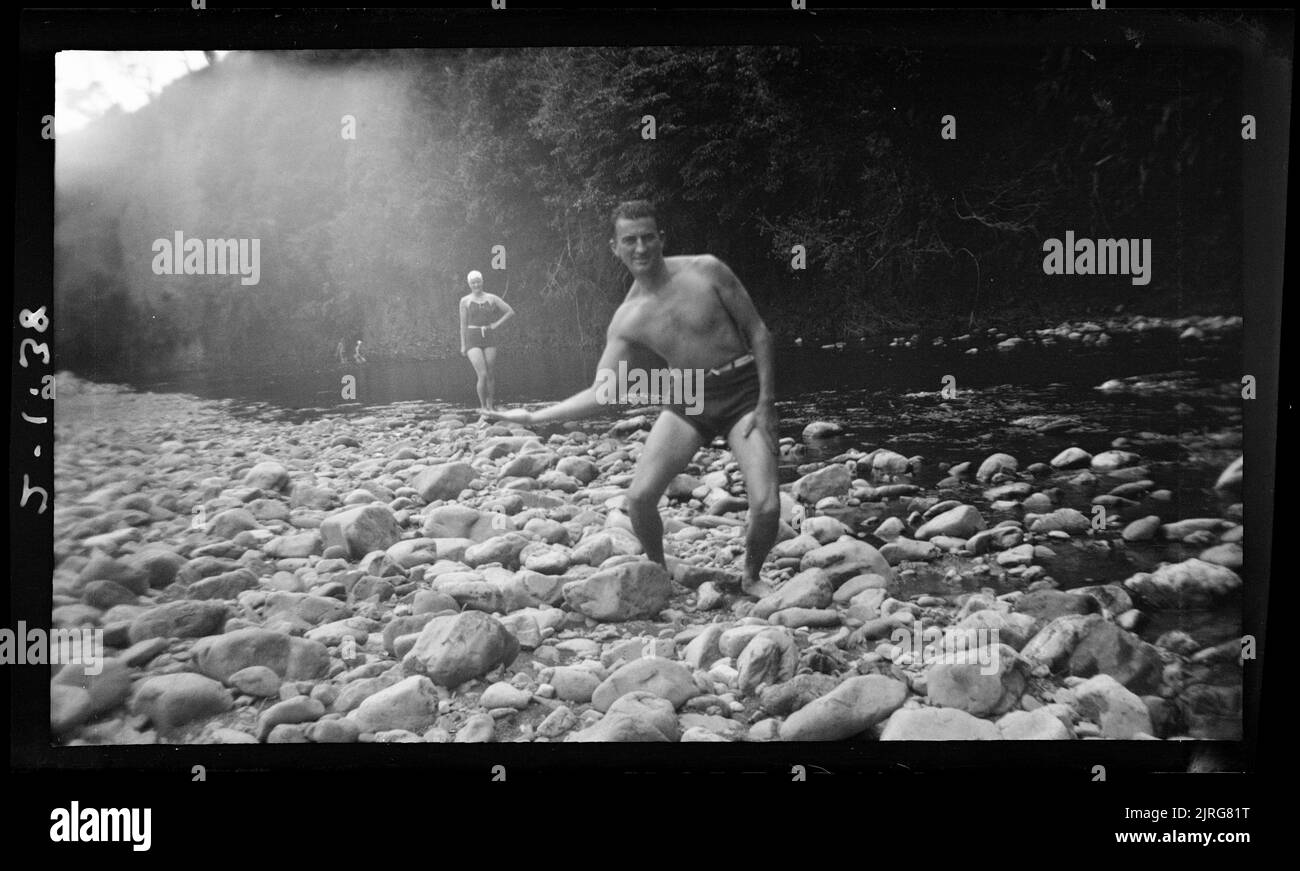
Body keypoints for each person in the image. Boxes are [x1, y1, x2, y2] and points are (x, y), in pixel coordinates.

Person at [486, 200, 779, 597]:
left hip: (743, 393)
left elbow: (759, 332)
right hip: (689, 397)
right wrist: (535, 418)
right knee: (639, 499)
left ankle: (751, 576)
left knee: (765, 505)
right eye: (630, 241)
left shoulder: (707, 270)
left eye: (647, 237)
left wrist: (766, 402)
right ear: (615, 247)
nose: (640, 248)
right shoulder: (628, 318)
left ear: (661, 238)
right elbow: (604, 392)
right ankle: (657, 570)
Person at [459, 269, 515, 411]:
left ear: (482, 282)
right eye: (473, 283)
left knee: (490, 373)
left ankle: (491, 405)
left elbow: (510, 311)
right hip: (472, 337)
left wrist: (496, 324)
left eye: (478, 282)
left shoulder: (491, 298)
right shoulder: (465, 301)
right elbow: (463, 325)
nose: (476, 285)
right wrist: (463, 345)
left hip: (489, 336)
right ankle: (483, 407)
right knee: (482, 374)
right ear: (469, 284)